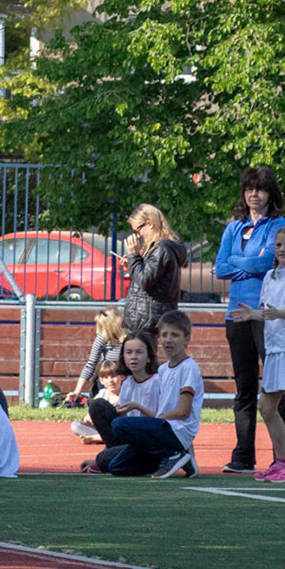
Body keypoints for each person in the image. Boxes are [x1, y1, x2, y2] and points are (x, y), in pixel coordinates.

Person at [229, 225, 285, 483]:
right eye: (279, 245)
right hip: (276, 348)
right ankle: (282, 461)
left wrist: (281, 313)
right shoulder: (270, 276)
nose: (282, 249)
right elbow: (269, 312)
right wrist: (253, 315)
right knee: (266, 406)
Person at [212, 166, 285, 474]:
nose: (253, 194)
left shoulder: (278, 226)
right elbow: (220, 268)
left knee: (276, 388)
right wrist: (247, 264)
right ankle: (243, 457)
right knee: (244, 388)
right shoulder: (233, 228)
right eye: (248, 189)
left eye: (260, 189)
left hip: (266, 314)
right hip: (236, 314)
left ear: (270, 194)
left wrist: (238, 262)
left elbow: (266, 263)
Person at [84, 313, 204, 477]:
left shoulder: (188, 368)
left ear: (187, 338)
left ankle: (174, 453)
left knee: (119, 425)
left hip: (173, 430)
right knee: (116, 467)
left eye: (174, 335)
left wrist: (150, 415)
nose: (168, 340)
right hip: (153, 433)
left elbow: (183, 411)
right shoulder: (162, 370)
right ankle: (170, 458)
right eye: (164, 335)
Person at [117, 204, 187, 337]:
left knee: (143, 350)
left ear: (149, 223)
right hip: (148, 317)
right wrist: (132, 264)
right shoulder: (159, 248)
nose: (138, 235)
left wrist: (134, 255)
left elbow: (145, 280)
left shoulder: (161, 249)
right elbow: (148, 276)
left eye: (138, 230)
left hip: (148, 319)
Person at [66, 307, 127, 440]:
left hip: (124, 382)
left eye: (103, 326)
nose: (100, 330)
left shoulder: (128, 339)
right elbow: (90, 364)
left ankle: (107, 435)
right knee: (77, 425)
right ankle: (104, 434)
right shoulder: (101, 338)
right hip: (108, 383)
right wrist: (77, 391)